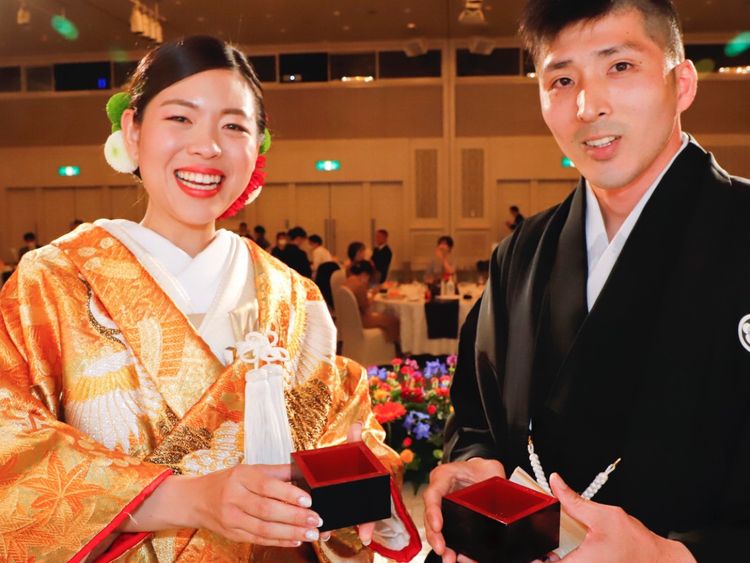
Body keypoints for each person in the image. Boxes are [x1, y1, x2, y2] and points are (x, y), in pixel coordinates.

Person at [0, 36, 420, 563]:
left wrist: (353, 483)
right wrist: (187, 499)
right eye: (180, 118)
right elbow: (10, 444)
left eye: (234, 126)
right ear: (132, 131)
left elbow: (346, 430)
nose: (207, 147)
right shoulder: (55, 280)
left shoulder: (293, 294)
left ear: (258, 146)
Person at [423, 2, 750, 562]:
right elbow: (476, 414)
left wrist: (667, 557)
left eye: (619, 66)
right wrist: (477, 465)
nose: (588, 106)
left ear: (682, 83)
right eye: (562, 80)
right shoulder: (521, 253)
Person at [344, 260, 400, 346]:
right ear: (364, 274)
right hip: (360, 320)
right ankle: (391, 347)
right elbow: (366, 307)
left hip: (348, 320)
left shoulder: (346, 282)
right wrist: (374, 294)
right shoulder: (359, 285)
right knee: (394, 320)